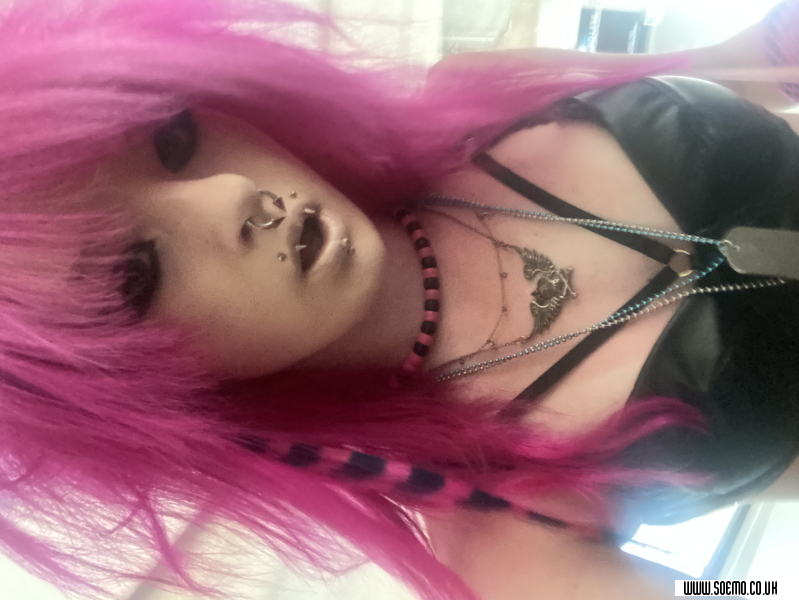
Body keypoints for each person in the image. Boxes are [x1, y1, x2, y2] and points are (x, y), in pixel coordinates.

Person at [0, 1, 796, 599]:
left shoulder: (478, 103)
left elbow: (748, 62)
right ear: (126, 394)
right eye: (132, 275)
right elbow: (737, 592)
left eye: (173, 137)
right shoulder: (504, 526)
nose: (230, 195)